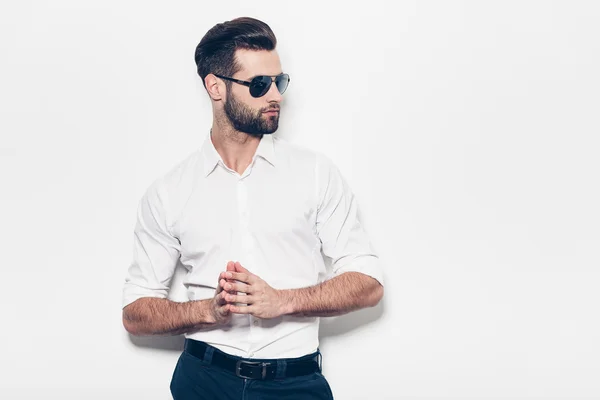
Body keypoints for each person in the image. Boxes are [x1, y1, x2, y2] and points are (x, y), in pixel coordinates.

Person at [121, 16, 384, 400]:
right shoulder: (169, 191)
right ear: (215, 87)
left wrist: (284, 301)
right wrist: (206, 311)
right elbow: (135, 312)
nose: (275, 95)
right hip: (203, 379)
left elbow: (369, 282)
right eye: (259, 85)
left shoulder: (315, 173)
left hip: (294, 383)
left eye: (280, 81)